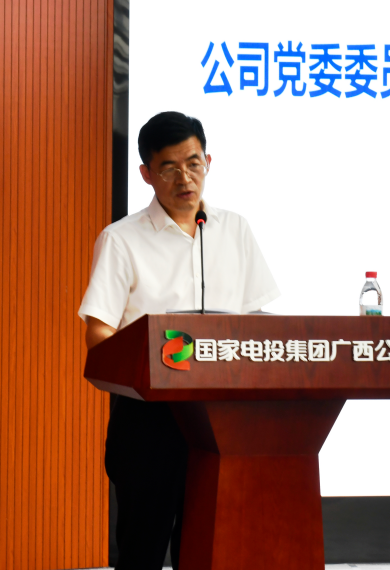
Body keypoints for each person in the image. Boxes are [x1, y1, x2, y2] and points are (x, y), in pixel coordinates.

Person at [78, 111, 280, 570]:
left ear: (208, 161)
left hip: (223, 420)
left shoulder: (234, 229)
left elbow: (256, 318)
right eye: (169, 167)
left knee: (208, 549)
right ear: (146, 174)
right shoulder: (121, 240)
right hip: (149, 419)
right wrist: (145, 363)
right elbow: (99, 332)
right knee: (142, 551)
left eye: (193, 163)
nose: (184, 178)